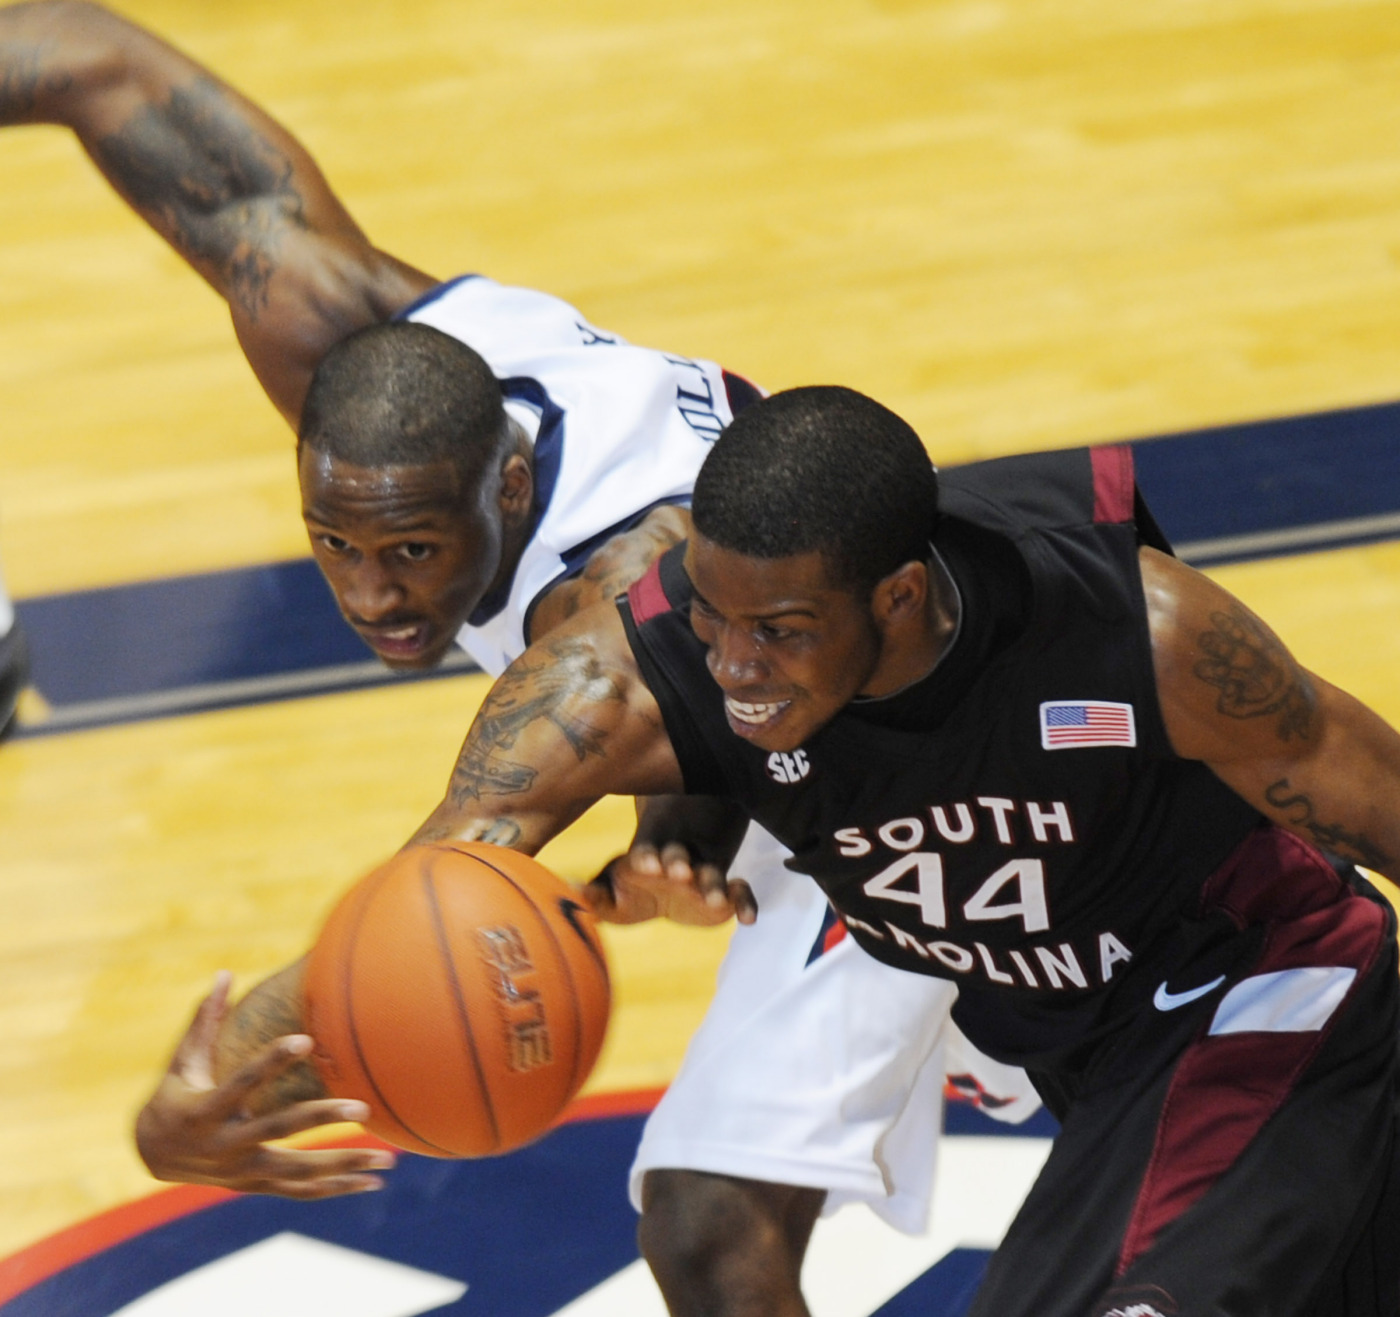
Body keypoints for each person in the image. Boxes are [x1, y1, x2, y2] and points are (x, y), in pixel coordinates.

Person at [0, 5, 1034, 1313]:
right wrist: (680, 841)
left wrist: (202, 1088)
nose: (374, 596)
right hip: (775, 708)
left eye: (417, 555)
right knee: (712, 1222)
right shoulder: (350, 342)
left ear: (513, 484)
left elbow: (438, 888)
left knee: (1127, 1099)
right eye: (335, 544)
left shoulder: (610, 612)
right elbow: (101, 65)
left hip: (933, 785)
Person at [141, 385, 1400, 1315]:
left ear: (897, 599)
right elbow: (425, 886)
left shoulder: (1142, 641)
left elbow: (1373, 798)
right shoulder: (637, 677)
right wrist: (203, 1095)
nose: (735, 668)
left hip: (1258, 988)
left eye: (782, 631)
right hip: (1082, 1050)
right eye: (710, 616)